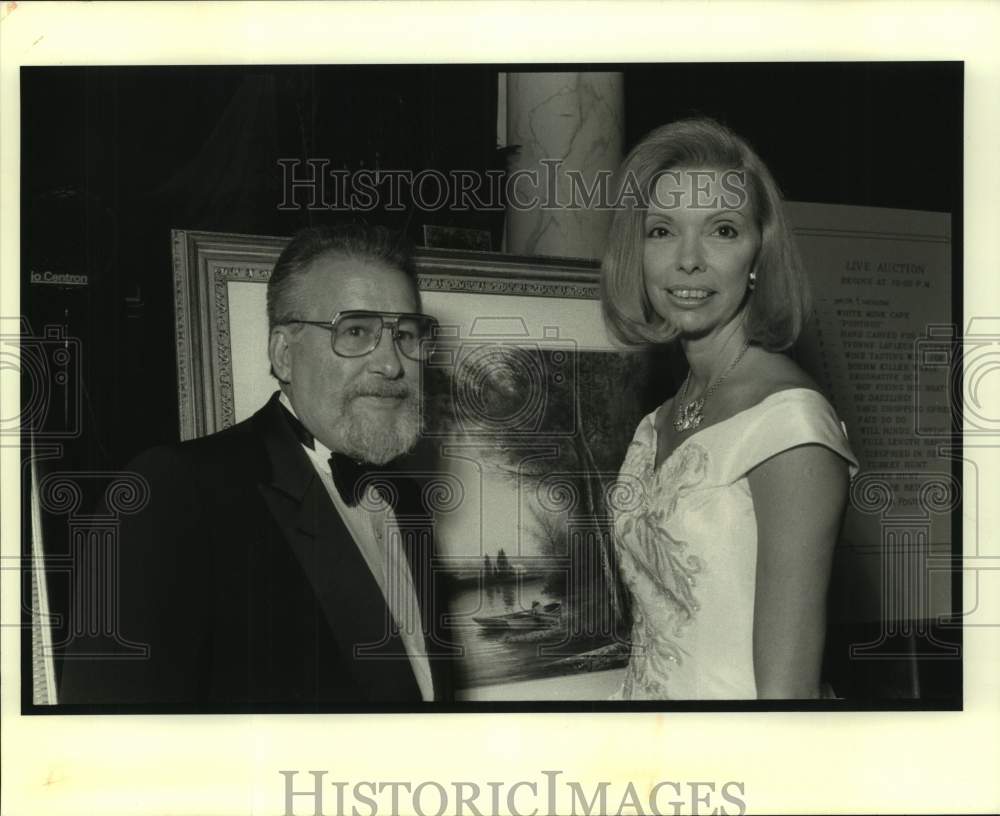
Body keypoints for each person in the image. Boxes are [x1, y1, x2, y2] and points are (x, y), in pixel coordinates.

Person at [59, 224, 456, 706]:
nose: (393, 364)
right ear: (284, 355)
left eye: (407, 335)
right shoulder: (172, 491)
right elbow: (110, 744)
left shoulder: (409, 501)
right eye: (356, 331)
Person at [601, 118, 858, 700]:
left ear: (758, 253)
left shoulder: (789, 426)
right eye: (662, 231)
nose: (688, 261)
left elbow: (785, 697)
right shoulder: (658, 421)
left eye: (721, 230)